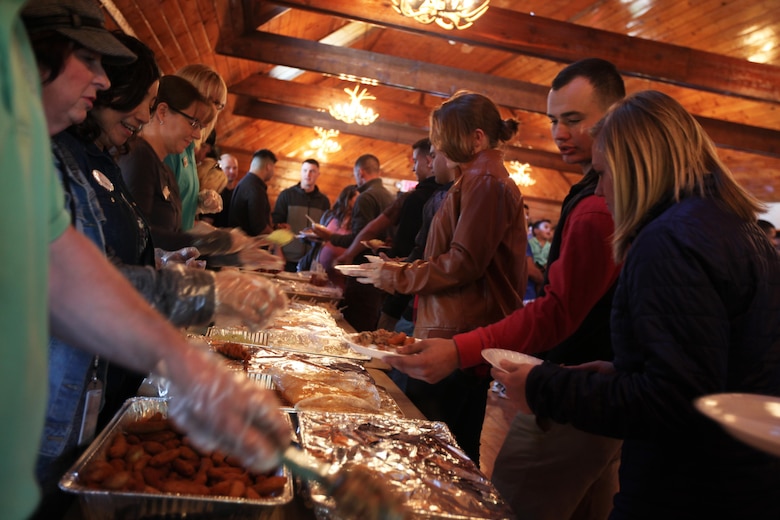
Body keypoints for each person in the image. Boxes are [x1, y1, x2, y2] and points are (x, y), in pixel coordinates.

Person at [4, 2, 289, 518]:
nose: (101, 79)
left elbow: (69, 275)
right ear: (26, 52)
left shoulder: (30, 145)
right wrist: (208, 300)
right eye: (86, 59)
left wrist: (195, 372)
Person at [494, 89, 780, 519]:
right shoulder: (735, 228)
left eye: (604, 174)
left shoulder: (671, 240)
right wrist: (619, 371)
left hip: (693, 488)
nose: (602, 193)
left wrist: (542, 387)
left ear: (636, 170)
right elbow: (717, 365)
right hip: (742, 478)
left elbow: (673, 403)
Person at [385, 58, 625, 517]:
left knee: (502, 500)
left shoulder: (581, 202)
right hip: (584, 383)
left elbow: (543, 304)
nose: (559, 132)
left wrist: (456, 346)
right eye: (555, 120)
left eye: (573, 120)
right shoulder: (586, 191)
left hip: (570, 388)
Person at [359, 91, 527, 462]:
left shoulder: (485, 182)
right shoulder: (475, 181)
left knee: (439, 456)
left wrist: (396, 277)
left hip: (457, 337)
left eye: (443, 140)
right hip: (452, 332)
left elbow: (463, 262)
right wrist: (398, 268)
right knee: (439, 449)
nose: (437, 149)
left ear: (477, 138)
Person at [337, 138, 439, 331]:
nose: (413, 168)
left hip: (404, 291)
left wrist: (349, 253)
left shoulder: (416, 198)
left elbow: (374, 231)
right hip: (421, 294)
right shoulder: (439, 195)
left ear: (429, 161)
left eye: (415, 161)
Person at [313, 154, 395, 331]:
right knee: (367, 326)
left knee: (352, 328)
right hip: (381, 276)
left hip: (361, 276)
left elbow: (359, 237)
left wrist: (330, 236)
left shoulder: (365, 197)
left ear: (360, 172)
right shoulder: (389, 196)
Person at [164, 64, 228, 231]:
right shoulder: (172, 145)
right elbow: (160, 208)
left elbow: (179, 200)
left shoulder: (190, 146)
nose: (212, 110)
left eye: (218, 104)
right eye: (208, 100)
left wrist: (200, 202)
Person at [272, 158, 331, 272]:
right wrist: (277, 251)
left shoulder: (324, 201)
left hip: (312, 259)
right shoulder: (286, 195)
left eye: (312, 171)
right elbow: (276, 226)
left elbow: (326, 230)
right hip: (287, 258)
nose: (308, 174)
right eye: (305, 170)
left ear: (318, 174)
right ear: (300, 172)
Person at [317, 184, 359, 287]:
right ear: (347, 199)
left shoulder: (358, 220)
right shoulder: (330, 215)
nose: (360, 201)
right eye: (358, 198)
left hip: (341, 274)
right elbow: (321, 238)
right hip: (322, 271)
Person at [230, 148, 277, 236]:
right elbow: (260, 228)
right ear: (268, 167)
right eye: (274, 167)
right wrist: (279, 236)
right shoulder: (256, 189)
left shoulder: (245, 182)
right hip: (248, 245)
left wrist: (276, 226)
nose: (273, 171)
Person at [207, 152, 239, 227]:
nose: (232, 171)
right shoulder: (215, 192)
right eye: (228, 168)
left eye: (235, 168)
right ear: (220, 169)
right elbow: (207, 222)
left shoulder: (238, 192)